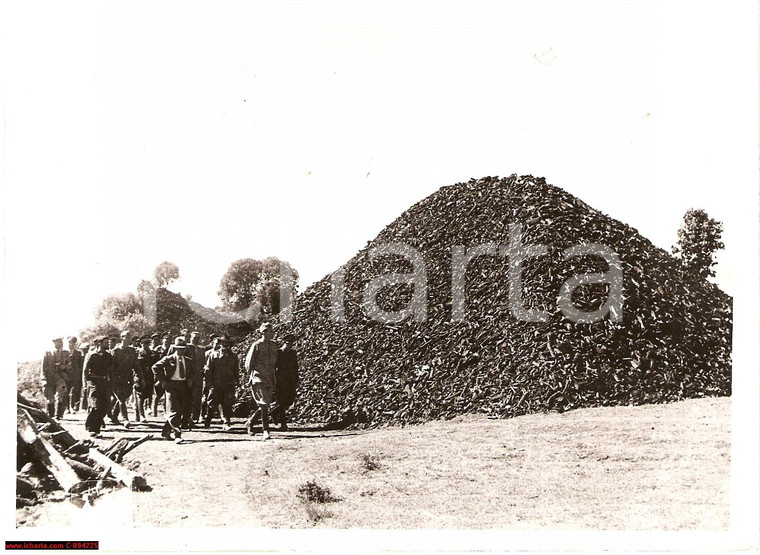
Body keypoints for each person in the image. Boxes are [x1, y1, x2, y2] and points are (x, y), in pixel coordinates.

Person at [152, 337, 195, 443]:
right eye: (178, 348)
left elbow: (194, 372)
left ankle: (166, 431)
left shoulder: (189, 361)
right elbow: (155, 367)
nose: (180, 350)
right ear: (175, 348)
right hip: (171, 386)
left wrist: (190, 379)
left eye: (182, 348)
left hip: (184, 386)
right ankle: (177, 434)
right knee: (174, 410)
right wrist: (162, 381)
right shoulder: (169, 359)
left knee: (179, 410)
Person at [244, 322, 279, 440]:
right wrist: (250, 376)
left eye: (272, 331)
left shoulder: (274, 345)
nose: (272, 333)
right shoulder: (256, 345)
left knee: (266, 403)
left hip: (270, 377)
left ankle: (250, 422)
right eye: (270, 331)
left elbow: (276, 361)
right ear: (263, 332)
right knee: (264, 403)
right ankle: (266, 430)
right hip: (258, 377)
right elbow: (249, 362)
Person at [204, 335, 238, 430]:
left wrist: (237, 383)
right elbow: (208, 370)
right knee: (212, 403)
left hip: (228, 383)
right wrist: (208, 382)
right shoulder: (213, 355)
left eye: (227, 343)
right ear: (220, 344)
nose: (225, 345)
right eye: (223, 343)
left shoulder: (233, 357)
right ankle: (208, 419)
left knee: (227, 403)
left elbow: (236, 371)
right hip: (216, 384)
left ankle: (226, 422)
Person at [84, 337, 113, 437]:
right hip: (93, 382)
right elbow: (85, 370)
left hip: (104, 382)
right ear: (99, 344)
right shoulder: (91, 355)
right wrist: (85, 384)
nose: (107, 344)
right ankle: (93, 429)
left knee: (105, 405)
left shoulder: (108, 355)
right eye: (105, 343)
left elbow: (111, 369)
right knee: (96, 405)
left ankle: (93, 426)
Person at [272, 333, 299, 431]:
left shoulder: (293, 353)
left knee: (289, 401)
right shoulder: (278, 353)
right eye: (288, 343)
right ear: (284, 343)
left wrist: (296, 380)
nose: (289, 346)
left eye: (291, 344)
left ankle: (274, 412)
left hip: (290, 380)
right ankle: (283, 424)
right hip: (280, 380)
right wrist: (274, 379)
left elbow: (296, 368)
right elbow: (274, 367)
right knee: (281, 402)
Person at [110, 330, 137, 427]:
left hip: (128, 378)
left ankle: (113, 416)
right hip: (117, 378)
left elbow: (136, 365)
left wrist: (140, 377)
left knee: (123, 397)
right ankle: (125, 419)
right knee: (121, 398)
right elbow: (111, 367)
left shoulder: (132, 351)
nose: (128, 338)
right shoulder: (115, 351)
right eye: (126, 336)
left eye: (129, 337)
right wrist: (111, 380)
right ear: (122, 338)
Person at [40, 338, 70, 419]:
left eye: (61, 341)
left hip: (61, 377)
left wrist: (64, 366)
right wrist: (43, 379)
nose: (61, 343)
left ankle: (58, 415)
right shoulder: (48, 353)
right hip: (49, 378)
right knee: (50, 398)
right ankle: (51, 416)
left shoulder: (66, 353)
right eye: (59, 341)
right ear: (54, 343)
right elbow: (43, 367)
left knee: (60, 395)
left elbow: (69, 365)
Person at [135, 335, 158, 422]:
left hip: (150, 376)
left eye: (148, 343)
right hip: (140, 376)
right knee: (140, 395)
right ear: (141, 344)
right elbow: (137, 365)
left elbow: (155, 363)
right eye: (144, 343)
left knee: (148, 394)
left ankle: (142, 413)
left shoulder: (153, 352)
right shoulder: (138, 352)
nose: (146, 345)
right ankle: (141, 415)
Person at [185, 331, 205, 427]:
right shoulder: (187, 347)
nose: (195, 340)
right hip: (188, 377)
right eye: (194, 338)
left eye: (197, 338)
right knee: (188, 398)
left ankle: (195, 418)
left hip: (198, 377)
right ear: (190, 338)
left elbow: (203, 362)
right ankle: (187, 418)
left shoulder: (202, 349)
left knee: (197, 398)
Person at [201, 333, 222, 422]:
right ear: (212, 343)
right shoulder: (207, 353)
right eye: (216, 343)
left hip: (218, 379)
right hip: (208, 378)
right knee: (206, 396)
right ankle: (202, 415)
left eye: (219, 343)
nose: (218, 345)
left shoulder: (222, 354)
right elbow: (203, 365)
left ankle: (221, 416)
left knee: (219, 397)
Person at [151, 332, 171, 416]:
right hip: (159, 374)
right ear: (162, 340)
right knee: (158, 393)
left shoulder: (171, 349)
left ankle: (166, 410)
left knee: (168, 392)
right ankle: (154, 410)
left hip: (168, 373)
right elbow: (153, 362)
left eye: (168, 340)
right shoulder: (157, 349)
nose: (167, 342)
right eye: (165, 340)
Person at [65, 336, 84, 413]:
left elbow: (81, 365)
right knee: (66, 391)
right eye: (69, 343)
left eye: (72, 343)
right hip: (66, 375)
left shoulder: (79, 353)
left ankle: (73, 406)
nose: (70, 344)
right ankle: (67, 408)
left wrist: (79, 375)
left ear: (75, 344)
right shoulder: (65, 352)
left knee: (74, 391)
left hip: (75, 375)